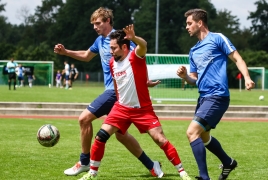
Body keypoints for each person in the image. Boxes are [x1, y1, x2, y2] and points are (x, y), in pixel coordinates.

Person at [54, 7, 161, 177]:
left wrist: (145, 80)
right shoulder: (99, 41)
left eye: (98, 23)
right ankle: (152, 165)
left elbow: (139, 57)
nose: (95, 27)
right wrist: (66, 52)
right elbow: (87, 56)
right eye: (93, 24)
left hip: (116, 91)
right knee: (121, 135)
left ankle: (84, 161)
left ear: (108, 21)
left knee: (84, 119)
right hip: (115, 93)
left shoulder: (121, 38)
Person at [79, 25, 191, 180]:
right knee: (101, 136)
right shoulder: (112, 63)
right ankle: (92, 173)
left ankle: (182, 172)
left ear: (124, 47)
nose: (111, 52)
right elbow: (117, 85)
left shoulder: (135, 56)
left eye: (113, 48)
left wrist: (135, 38)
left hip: (143, 109)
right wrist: (119, 103)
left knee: (160, 139)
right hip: (121, 108)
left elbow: (143, 45)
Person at [176, 9, 255, 180]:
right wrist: (185, 77)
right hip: (203, 97)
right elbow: (194, 80)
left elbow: (238, 59)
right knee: (203, 136)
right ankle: (228, 162)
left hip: (218, 96)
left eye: (189, 23)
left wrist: (247, 78)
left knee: (192, 132)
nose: (187, 27)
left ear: (200, 23)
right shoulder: (193, 51)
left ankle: (204, 177)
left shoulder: (218, 38)